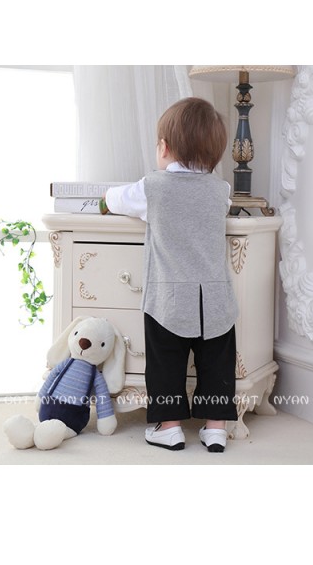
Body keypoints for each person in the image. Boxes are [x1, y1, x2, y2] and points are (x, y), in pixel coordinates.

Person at [102, 97, 238, 452]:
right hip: (215, 297)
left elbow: (115, 199)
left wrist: (104, 196)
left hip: (169, 297)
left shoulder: (153, 187)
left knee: (166, 362)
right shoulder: (220, 190)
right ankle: (216, 428)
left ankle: (169, 426)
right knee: (217, 363)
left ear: (163, 148)